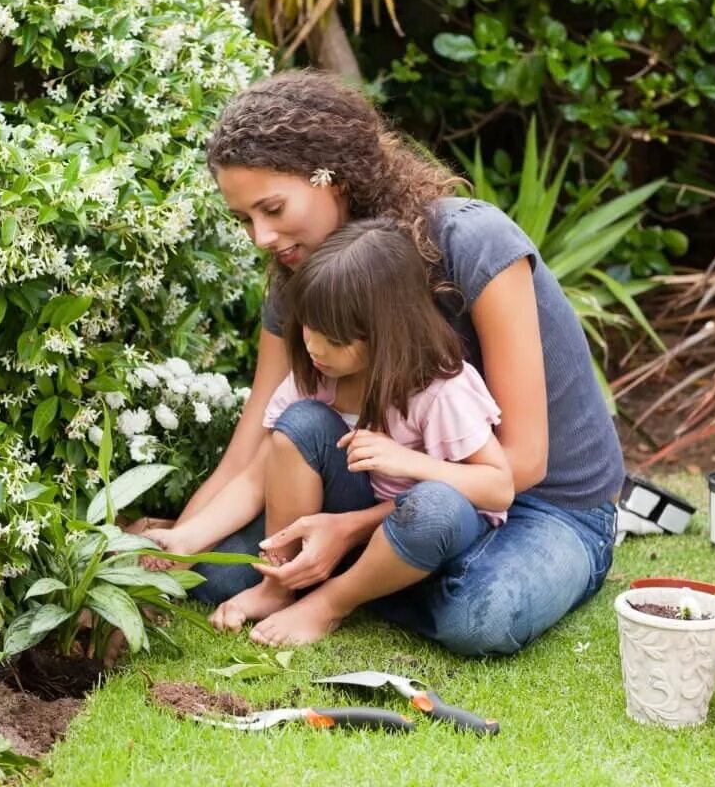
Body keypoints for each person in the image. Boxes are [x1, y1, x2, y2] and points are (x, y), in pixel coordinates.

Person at [143, 70, 622, 656]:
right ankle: (385, 573)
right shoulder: (297, 279)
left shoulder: (472, 244)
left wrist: (347, 528)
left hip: (539, 505)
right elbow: (255, 445)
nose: (260, 238)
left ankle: (351, 584)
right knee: (217, 578)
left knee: (483, 616)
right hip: (387, 483)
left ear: (333, 175)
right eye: (245, 219)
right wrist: (175, 556)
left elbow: (519, 466)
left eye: (272, 207)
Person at [145, 219, 515, 646]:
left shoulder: (439, 390)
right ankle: (279, 583)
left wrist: (408, 462)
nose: (315, 349)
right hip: (341, 519)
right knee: (213, 578)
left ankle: (328, 605)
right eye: (308, 329)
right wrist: (186, 538)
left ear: (387, 332)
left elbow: (499, 487)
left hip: (425, 535)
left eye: (334, 340)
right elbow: (257, 475)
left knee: (432, 508)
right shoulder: (316, 375)